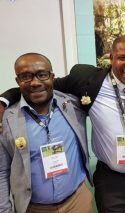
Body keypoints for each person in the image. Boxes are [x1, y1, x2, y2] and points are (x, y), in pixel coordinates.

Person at [0, 35, 125, 213]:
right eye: (122, 57)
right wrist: (3, 101)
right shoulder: (87, 80)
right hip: (110, 181)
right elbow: (40, 85)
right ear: (111, 58)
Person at [0, 53, 93, 213]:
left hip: (78, 201)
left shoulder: (72, 105)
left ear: (52, 77)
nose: (35, 82)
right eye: (26, 77)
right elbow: (2, 171)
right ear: (18, 81)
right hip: (34, 208)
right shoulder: (6, 119)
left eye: (42, 75)